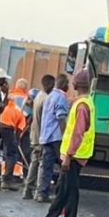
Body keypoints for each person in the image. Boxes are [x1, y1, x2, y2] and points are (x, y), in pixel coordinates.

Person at [35, 69, 95, 217]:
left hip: (74, 154)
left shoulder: (81, 106)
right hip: (79, 153)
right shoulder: (86, 102)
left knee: (63, 188)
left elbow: (77, 133)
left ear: (76, 84)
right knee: (71, 188)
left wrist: (68, 155)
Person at [37, 74, 70, 202]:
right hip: (56, 137)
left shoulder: (49, 96)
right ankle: (61, 193)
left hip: (46, 136)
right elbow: (61, 117)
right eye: (67, 84)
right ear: (63, 84)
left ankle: (42, 193)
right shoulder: (61, 97)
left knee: (46, 166)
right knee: (64, 165)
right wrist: (65, 135)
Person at [23, 75, 54, 200]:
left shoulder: (39, 96)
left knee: (34, 162)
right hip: (42, 136)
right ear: (51, 85)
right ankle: (39, 192)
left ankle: (28, 190)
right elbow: (46, 121)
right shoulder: (46, 99)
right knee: (42, 163)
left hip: (35, 135)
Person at [0, 79, 29, 190]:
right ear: (25, 88)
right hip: (9, 128)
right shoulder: (26, 99)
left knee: (1, 152)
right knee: (12, 154)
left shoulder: (9, 96)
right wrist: (16, 140)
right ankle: (7, 180)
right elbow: (22, 125)